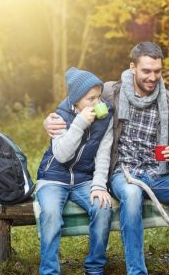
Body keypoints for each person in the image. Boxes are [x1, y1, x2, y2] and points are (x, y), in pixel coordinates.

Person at [44, 42, 169, 275]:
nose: (152, 77)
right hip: (123, 172)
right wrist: (51, 119)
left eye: (157, 71)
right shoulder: (113, 91)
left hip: (159, 173)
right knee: (132, 195)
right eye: (146, 71)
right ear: (133, 67)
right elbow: (78, 97)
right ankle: (136, 271)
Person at [36, 67, 114, 275]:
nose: (97, 103)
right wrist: (79, 124)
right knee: (51, 213)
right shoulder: (60, 116)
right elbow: (61, 155)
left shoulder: (106, 117)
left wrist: (99, 185)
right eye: (90, 99)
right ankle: (49, 271)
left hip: (84, 178)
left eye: (98, 97)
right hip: (53, 177)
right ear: (77, 100)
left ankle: (95, 268)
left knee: (103, 207)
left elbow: (104, 154)